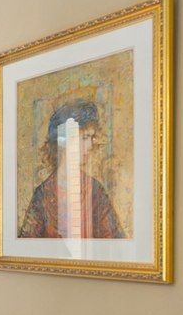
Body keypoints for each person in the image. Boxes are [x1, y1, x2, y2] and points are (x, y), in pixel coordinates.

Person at [19, 98, 124, 239]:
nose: (90, 145)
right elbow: (26, 244)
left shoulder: (95, 191)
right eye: (85, 138)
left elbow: (116, 242)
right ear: (65, 140)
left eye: (92, 138)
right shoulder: (43, 195)